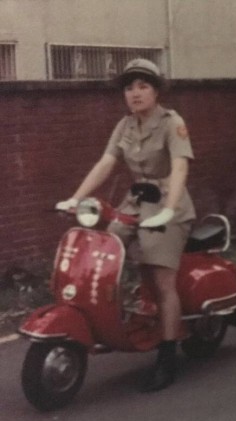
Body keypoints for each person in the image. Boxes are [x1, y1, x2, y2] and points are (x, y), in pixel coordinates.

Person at [56, 58, 194, 393]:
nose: (135, 93)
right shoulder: (125, 125)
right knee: (106, 248)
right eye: (129, 87)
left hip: (164, 204)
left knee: (162, 278)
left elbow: (179, 168)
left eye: (143, 86)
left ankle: (167, 354)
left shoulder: (171, 122)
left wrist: (170, 210)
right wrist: (76, 198)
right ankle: (118, 317)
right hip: (135, 202)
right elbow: (106, 162)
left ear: (156, 90)